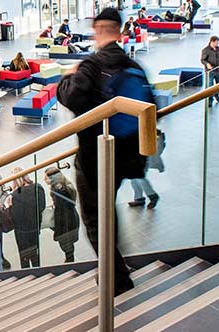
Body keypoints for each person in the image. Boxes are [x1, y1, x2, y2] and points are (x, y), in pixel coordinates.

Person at [57, 8, 153, 296]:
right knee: (107, 212)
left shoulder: (91, 65)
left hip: (96, 159)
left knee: (95, 220)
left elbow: (72, 97)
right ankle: (117, 269)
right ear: (121, 31)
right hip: (128, 157)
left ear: (97, 29)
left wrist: (66, 77)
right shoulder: (133, 65)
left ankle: (116, 281)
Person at [5, 167, 46, 268]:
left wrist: (9, 207)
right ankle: (38, 272)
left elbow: (13, 218)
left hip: (21, 231)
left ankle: (27, 275)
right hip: (34, 227)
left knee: (24, 257)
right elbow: (42, 207)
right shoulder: (38, 187)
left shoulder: (14, 196)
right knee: (35, 254)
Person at [44, 166, 80, 263]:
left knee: (65, 243)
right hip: (71, 218)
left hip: (65, 222)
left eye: (46, 177)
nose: (44, 180)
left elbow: (61, 210)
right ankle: (69, 258)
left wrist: (55, 225)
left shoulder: (59, 190)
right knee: (68, 244)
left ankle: (69, 261)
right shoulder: (65, 186)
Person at [201, 36, 219, 107]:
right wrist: (207, 64)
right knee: (209, 86)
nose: (217, 44)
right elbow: (203, 60)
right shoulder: (205, 50)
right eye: (216, 42)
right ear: (212, 41)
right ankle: (210, 100)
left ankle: (216, 95)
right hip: (210, 71)